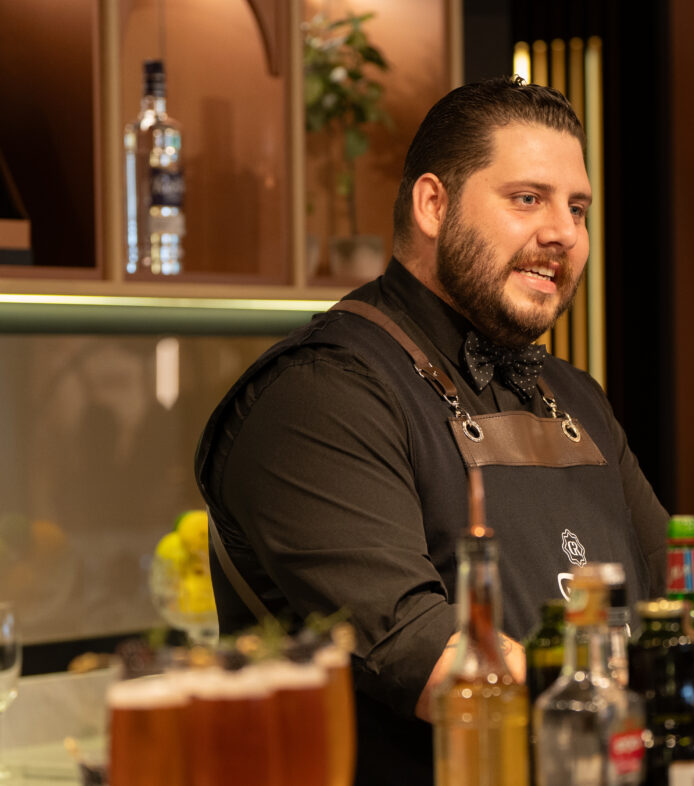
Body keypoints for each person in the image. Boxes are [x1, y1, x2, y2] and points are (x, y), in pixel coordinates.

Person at [194, 75, 668, 783]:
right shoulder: (317, 395)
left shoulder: (579, 400)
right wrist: (630, 696)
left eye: (578, 208)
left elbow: (680, 610)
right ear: (432, 204)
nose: (563, 233)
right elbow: (432, 657)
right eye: (527, 198)